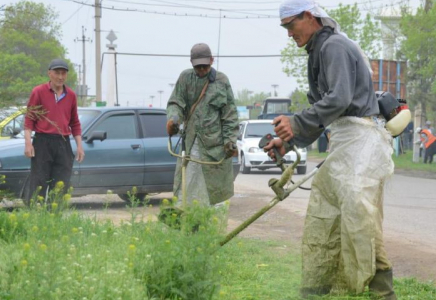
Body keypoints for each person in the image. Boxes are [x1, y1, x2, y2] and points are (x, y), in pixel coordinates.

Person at [263, 1, 397, 299]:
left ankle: (382, 293)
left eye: (290, 26)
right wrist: (287, 141)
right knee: (326, 213)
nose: (288, 34)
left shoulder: (333, 46)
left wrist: (296, 122)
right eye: (284, 28)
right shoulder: (317, 52)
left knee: (359, 217)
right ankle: (315, 290)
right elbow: (324, 113)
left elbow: (338, 99)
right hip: (345, 141)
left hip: (363, 141)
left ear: (309, 17)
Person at [166, 43, 238, 206]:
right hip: (191, 146)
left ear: (212, 61)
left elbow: (230, 115)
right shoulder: (185, 78)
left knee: (215, 194)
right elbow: (175, 103)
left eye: (205, 66)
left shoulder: (222, 81)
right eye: (198, 67)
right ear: (191, 63)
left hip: (216, 149)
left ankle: (212, 228)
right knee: (187, 188)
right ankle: (187, 224)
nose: (202, 70)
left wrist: (229, 141)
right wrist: (174, 119)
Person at [24, 58, 84, 203]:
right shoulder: (38, 91)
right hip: (42, 141)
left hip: (63, 142)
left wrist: (80, 147)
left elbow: (74, 122)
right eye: (57, 73)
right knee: (39, 182)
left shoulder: (71, 95)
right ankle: (35, 215)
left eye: (63, 73)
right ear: (49, 74)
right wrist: (28, 143)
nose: (60, 77)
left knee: (60, 184)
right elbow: (29, 119)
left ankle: (54, 218)